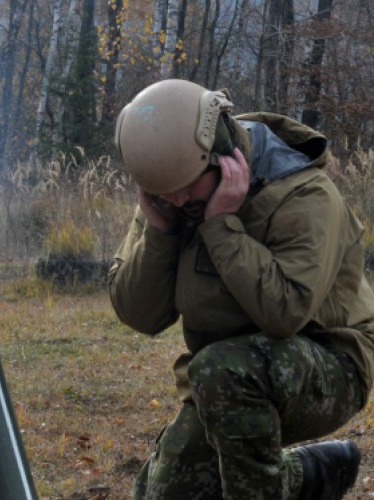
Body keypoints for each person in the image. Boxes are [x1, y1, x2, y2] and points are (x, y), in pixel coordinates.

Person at [108, 79, 374, 499]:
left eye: (188, 187)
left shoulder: (302, 194)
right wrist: (160, 233)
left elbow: (285, 313)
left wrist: (220, 228)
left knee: (224, 372)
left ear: (222, 157)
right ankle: (311, 474)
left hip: (331, 366)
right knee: (161, 493)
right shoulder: (171, 190)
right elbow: (140, 315)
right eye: (163, 193)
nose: (177, 199)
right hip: (226, 378)